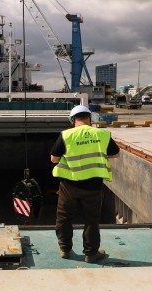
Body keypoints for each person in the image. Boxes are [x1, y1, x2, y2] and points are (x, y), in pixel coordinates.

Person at [50, 105, 120, 263]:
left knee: (64, 218)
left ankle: (65, 249)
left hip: (69, 186)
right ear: (90, 119)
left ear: (73, 120)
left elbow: (54, 159)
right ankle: (91, 253)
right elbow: (116, 154)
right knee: (91, 220)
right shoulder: (102, 134)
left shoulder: (66, 135)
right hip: (93, 186)